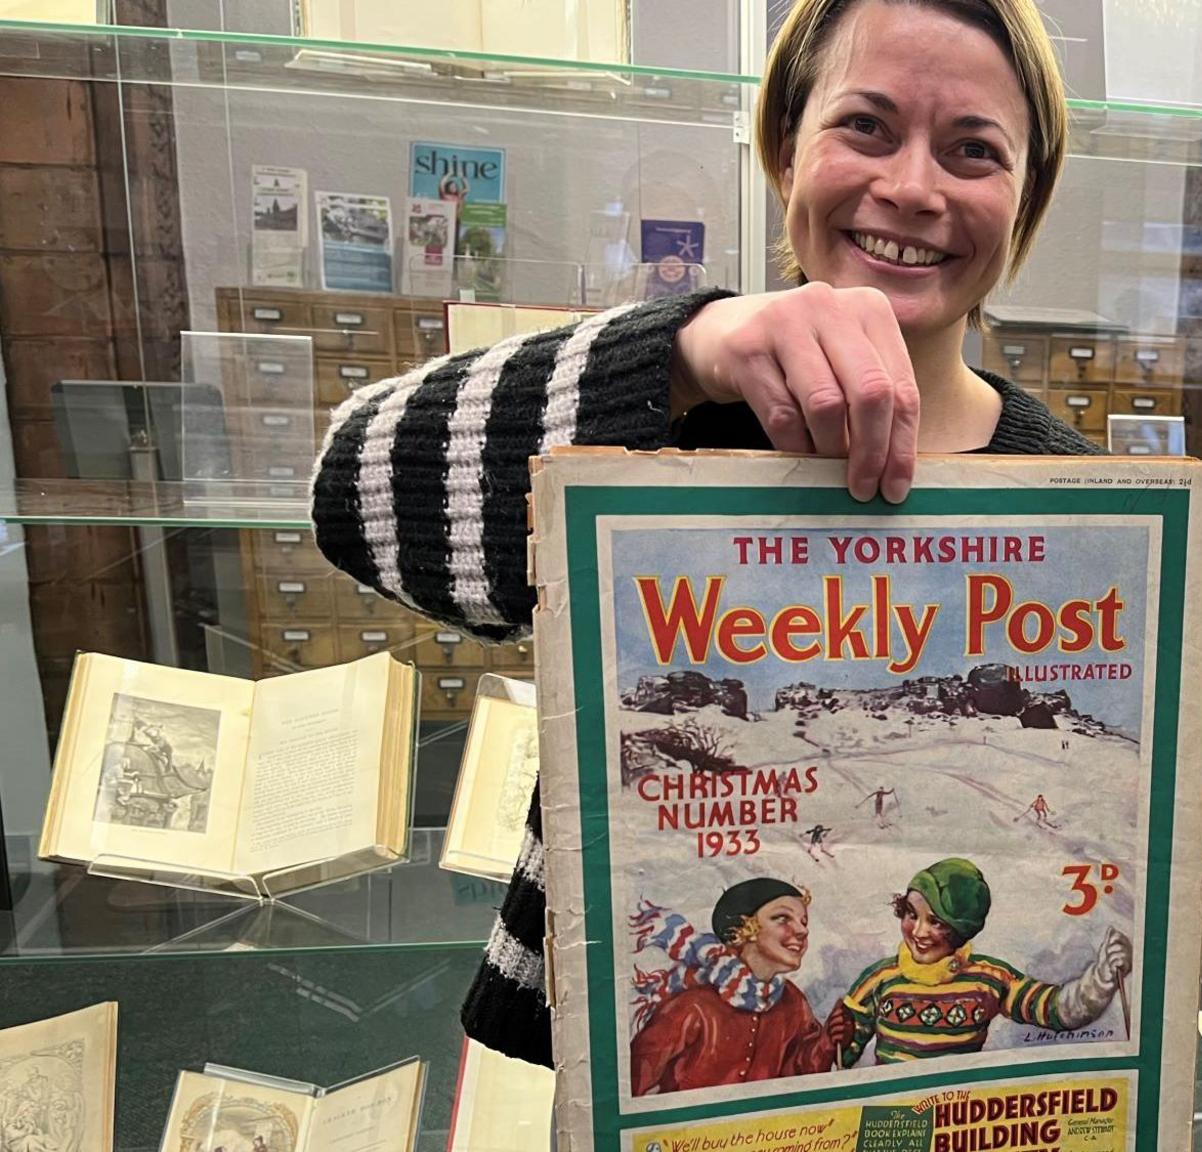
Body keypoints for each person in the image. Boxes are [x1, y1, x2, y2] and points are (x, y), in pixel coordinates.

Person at [309, 0, 1091, 1068]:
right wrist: (685, 348)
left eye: (973, 150)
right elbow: (352, 496)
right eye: (863, 125)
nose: (913, 186)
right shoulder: (670, 417)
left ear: (1026, 199)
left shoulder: (1077, 494)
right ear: (783, 146)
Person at [834, 858, 1130, 1065]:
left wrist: (1101, 979)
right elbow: (839, 1058)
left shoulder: (988, 977)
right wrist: (836, 1038)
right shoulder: (880, 978)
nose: (919, 932)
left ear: (962, 928)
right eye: (912, 914)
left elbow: (1055, 1009)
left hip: (960, 1116)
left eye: (936, 922)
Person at [627, 879, 846, 1094]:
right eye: (782, 918)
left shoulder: (792, 1001)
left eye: (803, 922)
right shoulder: (694, 1005)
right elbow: (635, 1084)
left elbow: (801, 1074)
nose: (802, 931)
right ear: (744, 929)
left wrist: (828, 1040)